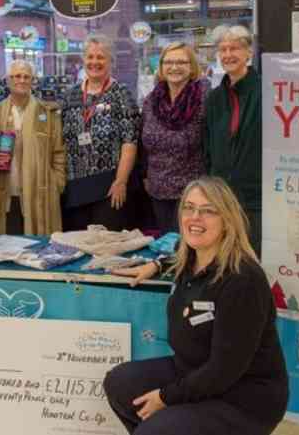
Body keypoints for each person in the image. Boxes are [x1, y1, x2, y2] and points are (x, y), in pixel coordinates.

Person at [103, 176, 288, 435]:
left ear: (227, 220)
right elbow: (175, 254)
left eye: (208, 210)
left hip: (243, 397)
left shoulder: (242, 280)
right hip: (192, 370)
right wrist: (155, 264)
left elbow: (224, 370)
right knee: (120, 383)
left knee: (155, 430)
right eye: (188, 208)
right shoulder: (189, 256)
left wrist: (166, 397)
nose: (195, 217)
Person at [59, 33, 141, 231]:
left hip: (109, 185)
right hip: (76, 185)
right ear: (83, 60)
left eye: (101, 57)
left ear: (111, 61)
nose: (95, 62)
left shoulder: (122, 93)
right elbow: (61, 140)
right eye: (90, 57)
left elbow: (130, 142)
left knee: (107, 245)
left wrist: (121, 182)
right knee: (77, 244)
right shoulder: (70, 95)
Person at [0, 60, 65, 235]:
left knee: (37, 248)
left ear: (32, 81)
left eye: (26, 76)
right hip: (6, 193)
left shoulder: (48, 113)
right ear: (8, 80)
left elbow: (59, 152)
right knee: (7, 246)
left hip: (39, 194)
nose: (21, 80)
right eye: (16, 76)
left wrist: (57, 183)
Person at [203, 25, 262, 256]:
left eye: (234, 48)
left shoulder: (266, 90)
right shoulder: (214, 98)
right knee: (224, 256)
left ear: (249, 52)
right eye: (223, 49)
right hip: (222, 196)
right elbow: (207, 145)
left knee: (253, 257)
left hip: (255, 198)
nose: (228, 55)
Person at [141, 42, 206, 234]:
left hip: (192, 191)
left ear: (192, 67)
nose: (174, 67)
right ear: (161, 67)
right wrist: (145, 175)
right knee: (166, 247)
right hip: (157, 190)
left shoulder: (205, 100)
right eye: (168, 62)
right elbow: (142, 144)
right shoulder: (151, 101)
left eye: (181, 62)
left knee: (186, 247)